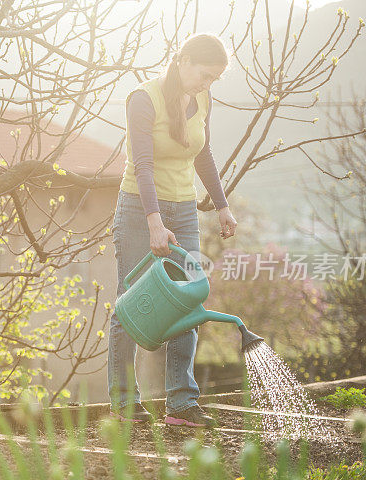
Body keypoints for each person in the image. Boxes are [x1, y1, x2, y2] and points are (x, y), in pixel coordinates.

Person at [108, 33, 238, 428]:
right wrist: (153, 223)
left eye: (214, 79)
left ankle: (181, 403)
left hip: (183, 210)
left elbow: (204, 153)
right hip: (138, 209)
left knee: (190, 302)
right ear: (183, 60)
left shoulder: (202, 100)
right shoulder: (143, 99)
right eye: (205, 74)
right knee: (129, 305)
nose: (207, 84)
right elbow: (143, 164)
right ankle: (125, 404)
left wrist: (222, 205)